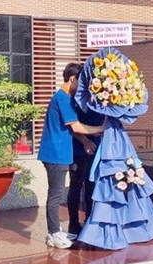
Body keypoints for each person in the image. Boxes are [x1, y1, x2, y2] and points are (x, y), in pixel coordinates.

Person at [38, 63, 104, 249]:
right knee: (56, 194)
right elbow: (76, 126)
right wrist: (100, 128)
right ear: (73, 79)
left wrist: (90, 135)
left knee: (57, 192)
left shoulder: (65, 98)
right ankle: (53, 233)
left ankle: (57, 231)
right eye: (81, 81)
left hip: (61, 153)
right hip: (55, 153)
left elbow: (73, 129)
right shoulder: (62, 98)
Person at [67, 103, 101, 236]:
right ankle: (73, 223)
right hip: (78, 151)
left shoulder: (100, 103)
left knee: (91, 185)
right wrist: (85, 141)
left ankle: (90, 220)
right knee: (76, 186)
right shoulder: (76, 102)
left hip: (96, 150)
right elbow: (73, 127)